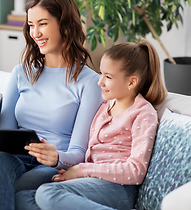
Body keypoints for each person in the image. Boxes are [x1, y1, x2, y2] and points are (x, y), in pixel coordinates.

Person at [0, 0, 103, 210]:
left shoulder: (90, 82)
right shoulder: (21, 73)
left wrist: (56, 156)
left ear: (64, 24)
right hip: (14, 159)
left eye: (43, 23)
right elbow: (3, 137)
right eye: (31, 25)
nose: (35, 33)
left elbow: (79, 153)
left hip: (50, 167)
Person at [15, 39, 167, 210]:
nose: (99, 82)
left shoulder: (143, 113)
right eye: (101, 73)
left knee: (47, 194)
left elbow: (136, 171)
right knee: (21, 198)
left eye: (108, 77)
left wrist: (81, 170)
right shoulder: (104, 107)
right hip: (89, 182)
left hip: (119, 188)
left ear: (131, 82)